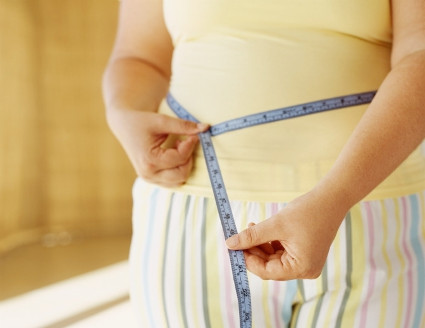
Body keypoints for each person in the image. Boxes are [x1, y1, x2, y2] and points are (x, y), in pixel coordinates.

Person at [102, 0, 425, 326]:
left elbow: (420, 55)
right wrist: (123, 113)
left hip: (373, 206)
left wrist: (336, 195)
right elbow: (139, 56)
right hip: (194, 209)